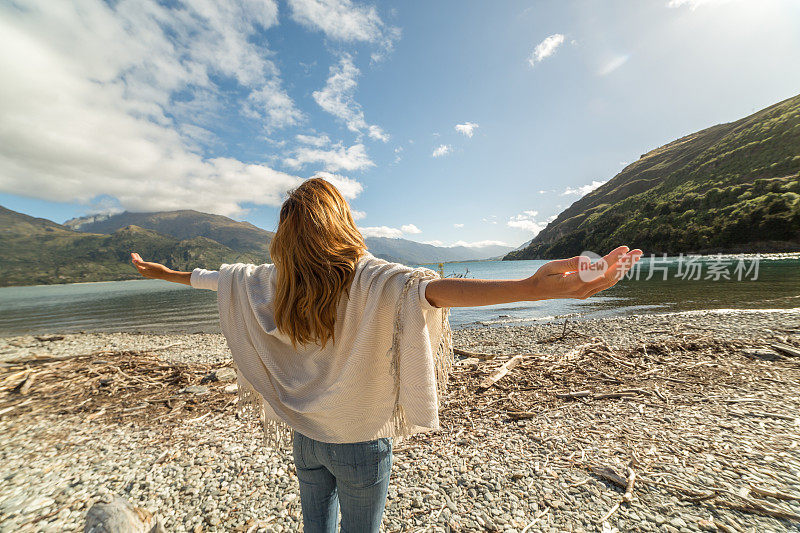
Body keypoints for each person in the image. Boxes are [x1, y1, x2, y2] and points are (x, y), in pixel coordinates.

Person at [130, 177, 642, 533]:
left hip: (305, 434)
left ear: (287, 239)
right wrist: (531, 289)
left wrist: (163, 275)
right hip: (359, 441)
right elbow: (434, 291)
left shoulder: (274, 283)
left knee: (316, 526)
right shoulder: (375, 280)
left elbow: (220, 280)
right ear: (341, 223)